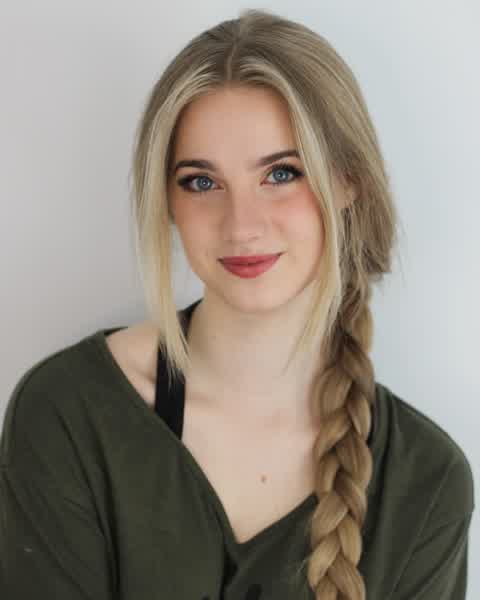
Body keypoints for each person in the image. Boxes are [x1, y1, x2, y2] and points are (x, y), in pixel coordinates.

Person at [0, 8, 475, 600]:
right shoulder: (71, 415)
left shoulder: (427, 483)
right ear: (167, 202)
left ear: (348, 179)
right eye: (202, 182)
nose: (242, 225)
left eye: (281, 173)